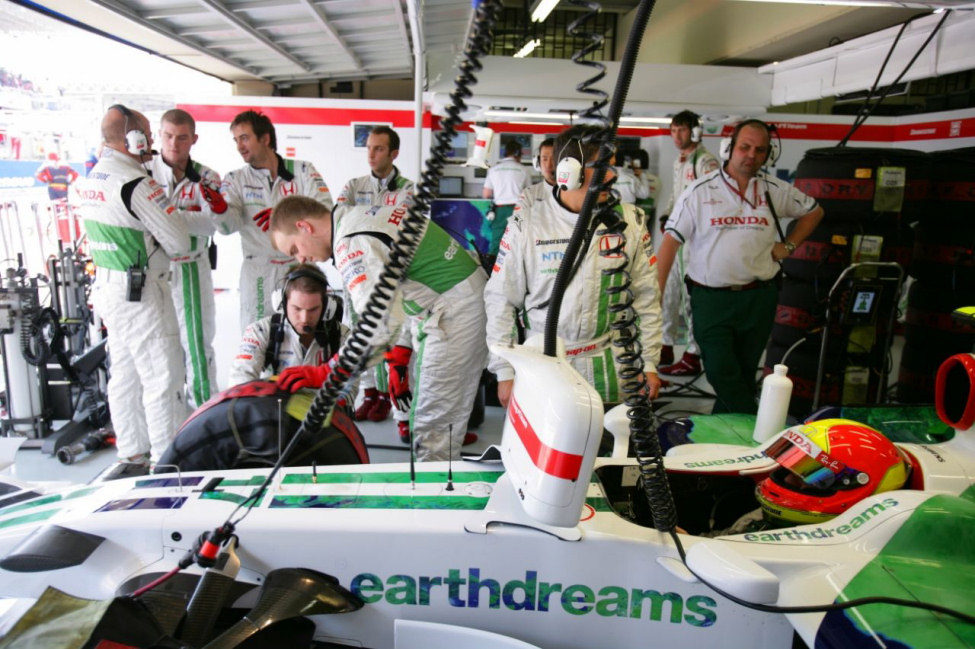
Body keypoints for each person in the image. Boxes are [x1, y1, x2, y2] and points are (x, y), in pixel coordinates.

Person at [268, 196, 488, 461]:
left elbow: (376, 328)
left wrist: (328, 371)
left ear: (305, 226)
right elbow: (404, 291)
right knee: (433, 416)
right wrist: (402, 349)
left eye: (294, 249)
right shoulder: (359, 215)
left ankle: (436, 493)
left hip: (453, 311)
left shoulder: (352, 244)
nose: (301, 259)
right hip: (453, 303)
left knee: (432, 427)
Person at [484, 125, 663, 409]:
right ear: (569, 170)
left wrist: (649, 361)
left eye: (613, 167)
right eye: (602, 166)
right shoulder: (526, 224)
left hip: (611, 367)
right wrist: (504, 370)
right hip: (542, 367)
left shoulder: (630, 221)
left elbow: (646, 299)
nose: (612, 176)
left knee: (609, 451)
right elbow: (501, 299)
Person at [656, 119, 824, 415]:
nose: (751, 155)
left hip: (759, 297)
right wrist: (655, 296)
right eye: (744, 147)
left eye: (759, 150)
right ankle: (755, 427)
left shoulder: (774, 190)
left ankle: (726, 443)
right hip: (712, 299)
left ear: (768, 155)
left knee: (745, 374)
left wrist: (788, 247)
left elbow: (814, 211)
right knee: (721, 371)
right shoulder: (699, 191)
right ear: (729, 149)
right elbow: (670, 243)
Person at [75, 105, 191, 464]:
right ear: (133, 139)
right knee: (162, 375)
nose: (152, 140)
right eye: (147, 133)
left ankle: (131, 452)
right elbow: (180, 242)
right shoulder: (137, 184)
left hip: (110, 290)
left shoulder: (90, 180)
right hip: (142, 292)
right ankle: (166, 460)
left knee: (124, 374)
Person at [220, 110, 333, 330]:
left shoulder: (302, 170)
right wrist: (218, 209)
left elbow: (325, 210)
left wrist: (283, 215)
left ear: (265, 138)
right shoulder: (235, 179)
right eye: (236, 140)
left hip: (298, 264)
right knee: (257, 335)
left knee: (302, 330)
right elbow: (226, 226)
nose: (239, 146)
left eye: (244, 138)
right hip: (257, 270)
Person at [334, 126, 414, 427]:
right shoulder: (354, 185)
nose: (371, 153)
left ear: (393, 153)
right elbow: (340, 220)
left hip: (389, 272)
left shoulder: (409, 189)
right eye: (368, 147)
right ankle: (371, 392)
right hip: (355, 268)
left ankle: (395, 401)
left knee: (390, 330)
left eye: (379, 148)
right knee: (358, 328)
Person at [148, 108, 226, 408]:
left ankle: (203, 409)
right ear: (159, 134)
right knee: (157, 345)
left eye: (182, 138)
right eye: (168, 136)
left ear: (193, 139)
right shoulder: (144, 172)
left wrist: (162, 216)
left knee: (197, 343)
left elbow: (215, 224)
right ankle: (167, 409)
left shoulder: (207, 177)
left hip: (192, 265)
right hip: (153, 268)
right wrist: (186, 216)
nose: (174, 144)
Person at [657, 111, 721, 375]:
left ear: (695, 132)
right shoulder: (679, 161)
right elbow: (676, 195)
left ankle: (693, 356)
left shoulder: (706, 162)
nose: (677, 136)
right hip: (677, 238)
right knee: (668, 294)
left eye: (682, 130)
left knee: (689, 299)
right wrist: (667, 215)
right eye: (673, 130)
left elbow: (715, 201)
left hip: (696, 242)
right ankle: (666, 344)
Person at [229, 263, 344, 386]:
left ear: (327, 306)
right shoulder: (259, 331)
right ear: (282, 303)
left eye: (313, 309)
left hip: (325, 404)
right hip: (272, 404)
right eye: (297, 309)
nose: (304, 318)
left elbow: (350, 386)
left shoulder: (341, 335)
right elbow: (240, 379)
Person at [482, 138, 530, 256]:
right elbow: (529, 192)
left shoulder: (493, 170)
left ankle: (493, 268)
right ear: (517, 153)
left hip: (500, 211)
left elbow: (486, 194)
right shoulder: (524, 170)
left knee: (497, 241)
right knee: (518, 239)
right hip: (518, 210)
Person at [520, 138, 556, 204]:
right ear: (538, 162)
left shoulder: (575, 194)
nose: (548, 165)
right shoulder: (529, 194)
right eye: (544, 159)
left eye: (553, 159)